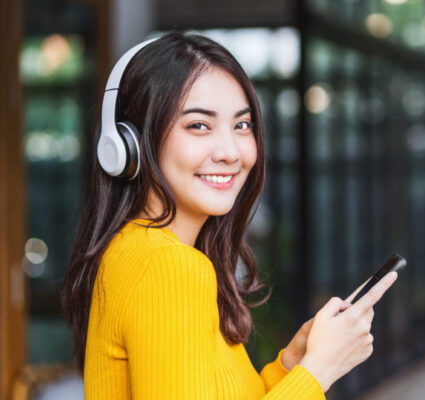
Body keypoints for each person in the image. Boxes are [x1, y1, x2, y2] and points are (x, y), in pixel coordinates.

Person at [60, 31, 398, 400]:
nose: (230, 152)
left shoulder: (135, 251)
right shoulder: (167, 265)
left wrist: (293, 364)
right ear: (133, 144)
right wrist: (321, 370)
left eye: (242, 125)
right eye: (199, 125)